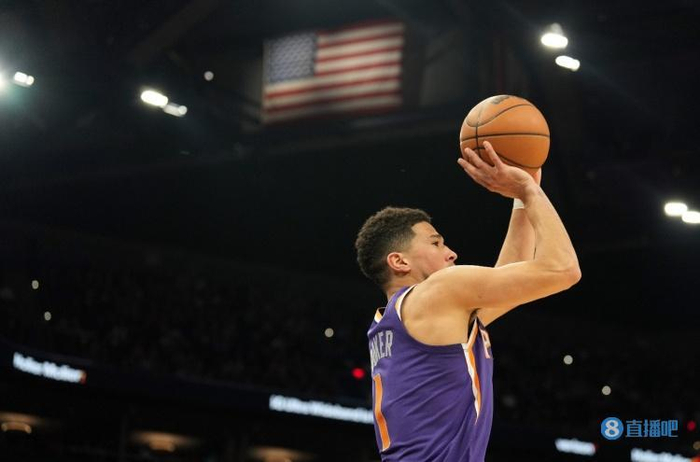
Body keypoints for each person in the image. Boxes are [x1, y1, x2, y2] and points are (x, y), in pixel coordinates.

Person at [354, 141, 581, 461]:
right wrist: (530, 192)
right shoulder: (437, 292)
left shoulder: (402, 319)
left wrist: (521, 200)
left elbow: (507, 278)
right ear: (399, 261)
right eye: (436, 243)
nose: (451, 253)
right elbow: (563, 269)